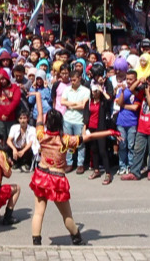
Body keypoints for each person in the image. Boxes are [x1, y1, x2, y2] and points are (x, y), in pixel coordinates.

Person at [29, 92, 120, 245]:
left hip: (41, 174)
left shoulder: (41, 135)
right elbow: (90, 137)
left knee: (38, 212)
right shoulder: (66, 140)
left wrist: (38, 96)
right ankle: (76, 237)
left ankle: (36, 242)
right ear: (60, 123)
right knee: (67, 215)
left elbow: (39, 113)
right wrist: (110, 131)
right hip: (57, 178)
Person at [122, 74, 150, 181]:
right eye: (148, 84)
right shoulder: (143, 92)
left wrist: (146, 93)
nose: (149, 87)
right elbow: (131, 90)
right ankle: (135, 172)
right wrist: (139, 82)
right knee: (138, 151)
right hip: (142, 128)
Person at [60, 70, 91, 174]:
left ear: (79, 78)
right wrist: (75, 104)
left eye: (74, 80)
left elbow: (83, 105)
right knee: (68, 142)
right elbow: (62, 102)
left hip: (79, 120)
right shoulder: (67, 89)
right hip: (67, 119)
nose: (72, 82)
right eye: (71, 80)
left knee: (80, 143)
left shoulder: (86, 91)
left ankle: (80, 164)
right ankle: (69, 163)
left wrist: (70, 105)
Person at [84, 80, 115, 184]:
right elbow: (86, 116)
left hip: (100, 128)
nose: (94, 93)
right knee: (94, 150)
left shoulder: (103, 102)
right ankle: (96, 170)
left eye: (96, 91)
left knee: (102, 150)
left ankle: (108, 173)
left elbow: (109, 99)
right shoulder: (89, 102)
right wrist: (84, 129)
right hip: (91, 128)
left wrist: (102, 91)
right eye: (93, 91)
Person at [115, 70, 141, 177]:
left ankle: (131, 166)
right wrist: (122, 92)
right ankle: (122, 166)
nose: (129, 81)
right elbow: (118, 102)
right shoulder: (122, 90)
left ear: (135, 80)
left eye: (131, 79)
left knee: (131, 146)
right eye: (128, 79)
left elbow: (135, 107)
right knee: (122, 145)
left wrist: (123, 106)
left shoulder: (138, 92)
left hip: (132, 122)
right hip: (121, 122)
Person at [0, 68, 22, 139]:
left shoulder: (15, 87)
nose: (3, 81)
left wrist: (6, 114)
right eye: (1, 79)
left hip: (10, 117)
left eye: (4, 79)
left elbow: (15, 101)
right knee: (0, 138)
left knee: (11, 137)